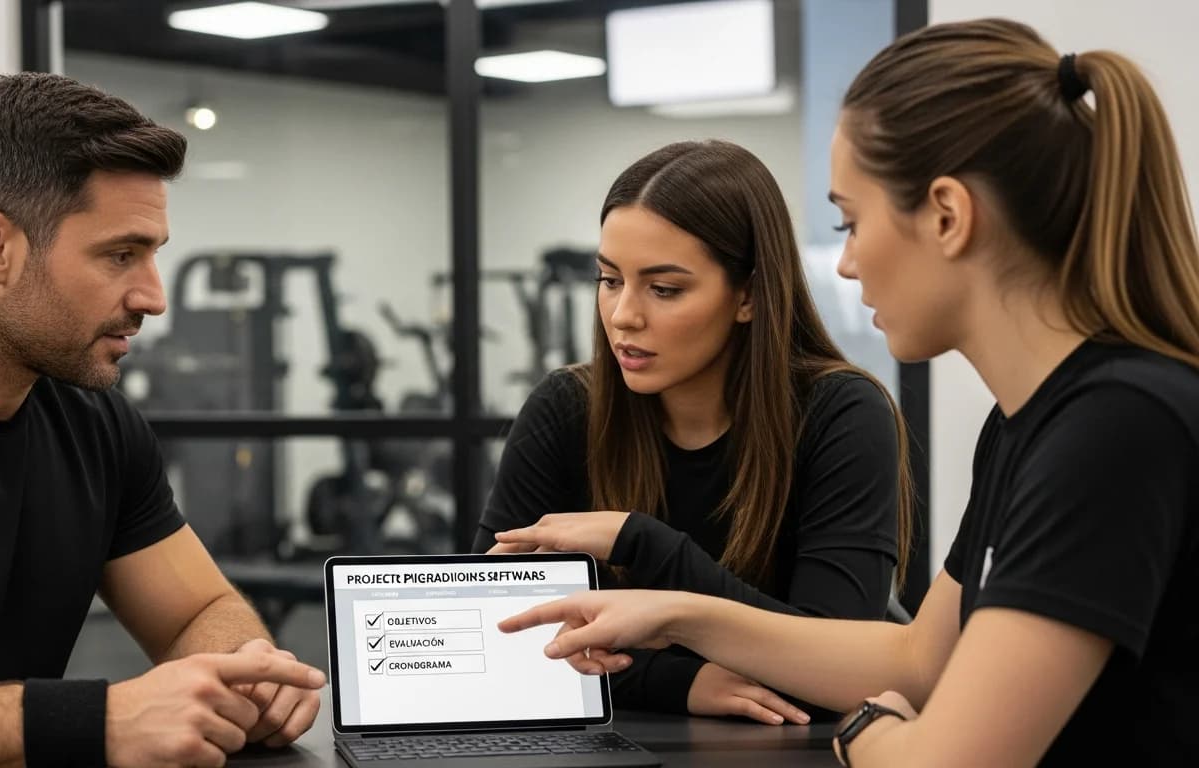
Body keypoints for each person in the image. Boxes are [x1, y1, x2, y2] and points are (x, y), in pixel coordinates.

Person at [499, 17, 1199, 767]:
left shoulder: (1116, 423)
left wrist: (867, 730)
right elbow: (918, 663)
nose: (846, 264)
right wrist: (677, 613)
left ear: (947, 216)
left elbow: (944, 760)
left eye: (852, 223)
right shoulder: (1025, 422)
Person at [0, 72, 326, 768]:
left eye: (154, 255)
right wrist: (99, 718)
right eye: (120, 255)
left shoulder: (96, 423)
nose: (154, 297)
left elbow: (198, 611)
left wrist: (245, 673)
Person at [474, 140, 913, 724]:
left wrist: (642, 543)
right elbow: (490, 636)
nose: (624, 315)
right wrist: (678, 681)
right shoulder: (565, 408)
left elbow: (836, 670)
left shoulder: (841, 413)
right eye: (608, 280)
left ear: (750, 295)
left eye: (664, 289)